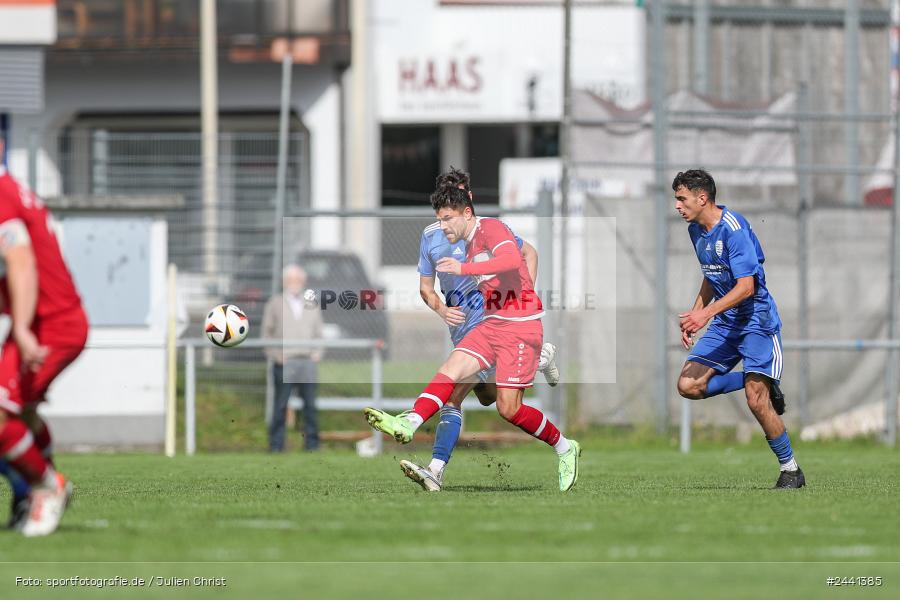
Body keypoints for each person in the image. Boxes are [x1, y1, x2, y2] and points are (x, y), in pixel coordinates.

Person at [365, 185, 581, 492]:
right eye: (440, 219)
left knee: (508, 408)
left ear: (467, 211)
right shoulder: (459, 241)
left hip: (519, 328)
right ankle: (409, 422)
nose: (443, 226)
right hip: (489, 326)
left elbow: (510, 260)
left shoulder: (491, 228)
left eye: (448, 218)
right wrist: (446, 306)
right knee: (452, 372)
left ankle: (564, 446)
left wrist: (470, 270)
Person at [672, 169, 804, 489]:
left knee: (755, 401)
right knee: (688, 385)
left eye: (681, 198)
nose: (677, 205)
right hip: (726, 321)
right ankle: (758, 381)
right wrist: (696, 312)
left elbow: (746, 287)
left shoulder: (734, 230)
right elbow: (712, 274)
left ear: (702, 198)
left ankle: (791, 470)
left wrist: (706, 316)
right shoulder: (696, 230)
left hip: (756, 320)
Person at [0, 140, 87, 535]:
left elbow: (21, 262)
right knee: (24, 413)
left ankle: (44, 486)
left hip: (49, 326)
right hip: (48, 322)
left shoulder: (2, 194)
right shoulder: (14, 190)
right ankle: (38, 487)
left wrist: (19, 329)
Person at [262, 264, 323, 452]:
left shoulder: (312, 304)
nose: (294, 284)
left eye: (297, 280)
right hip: (285, 361)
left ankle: (312, 446)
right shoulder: (275, 303)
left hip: (307, 362)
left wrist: (316, 354)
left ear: (303, 282)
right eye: (290, 280)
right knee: (280, 406)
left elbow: (319, 333)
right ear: (283, 282)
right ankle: (276, 446)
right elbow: (267, 334)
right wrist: (276, 355)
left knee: (310, 407)